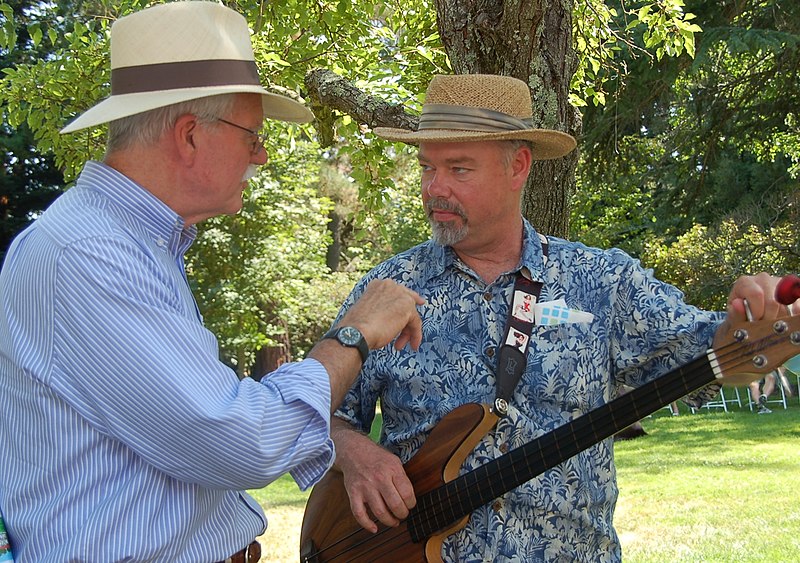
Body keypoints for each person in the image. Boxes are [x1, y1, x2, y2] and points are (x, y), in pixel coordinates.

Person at [0, 3, 423, 562]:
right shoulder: (91, 253)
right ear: (190, 136)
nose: (263, 155)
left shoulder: (125, 244)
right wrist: (354, 334)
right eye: (252, 136)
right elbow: (242, 440)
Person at [327, 74, 793, 561]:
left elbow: (708, 354)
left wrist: (748, 320)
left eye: (459, 169)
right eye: (427, 168)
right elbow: (318, 409)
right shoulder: (387, 289)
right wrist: (355, 453)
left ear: (519, 166)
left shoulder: (601, 280)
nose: (434, 189)